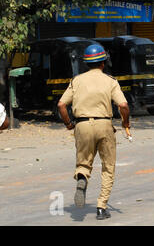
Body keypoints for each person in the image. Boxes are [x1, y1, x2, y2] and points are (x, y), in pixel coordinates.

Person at [57, 44, 130, 220]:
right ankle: (101, 207)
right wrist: (125, 122)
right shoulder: (110, 81)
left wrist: (68, 124)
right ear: (103, 63)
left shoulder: (77, 80)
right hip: (104, 125)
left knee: (83, 162)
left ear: (86, 63)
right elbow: (123, 105)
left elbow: (61, 105)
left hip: (81, 125)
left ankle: (82, 178)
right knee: (108, 166)